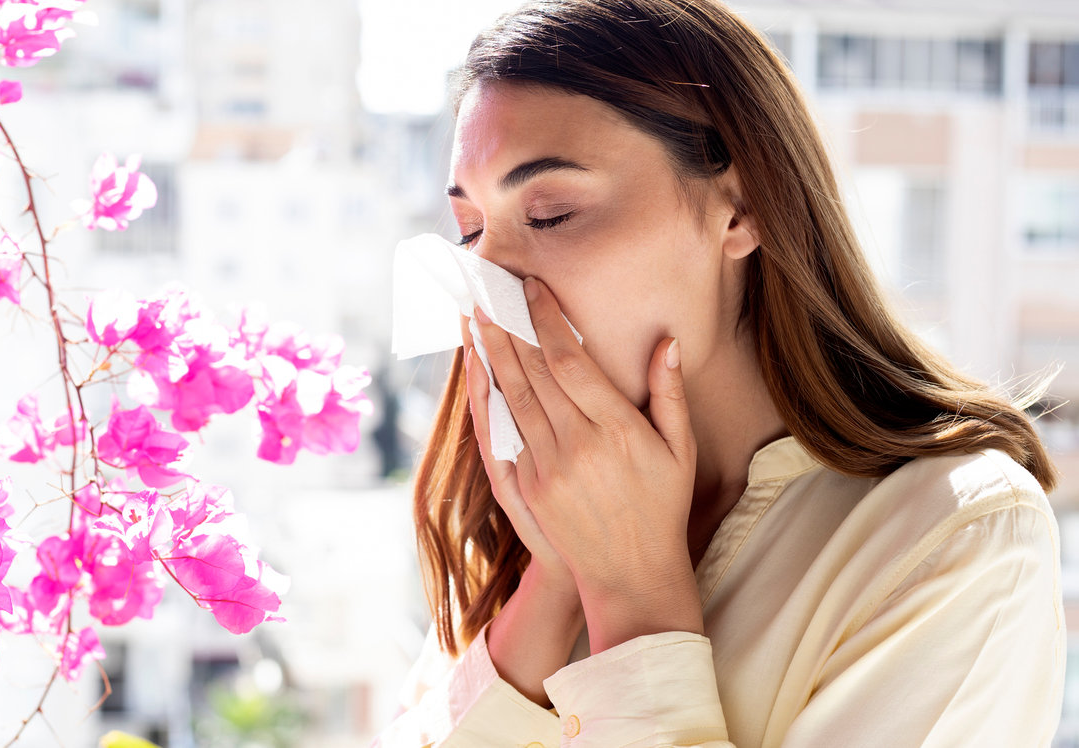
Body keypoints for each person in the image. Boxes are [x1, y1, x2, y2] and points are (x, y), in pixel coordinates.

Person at [374, 1, 1065, 746]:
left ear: (741, 207)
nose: (490, 280)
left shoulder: (956, 538)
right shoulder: (521, 511)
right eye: (471, 231)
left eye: (550, 214)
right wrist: (555, 581)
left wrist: (631, 590)